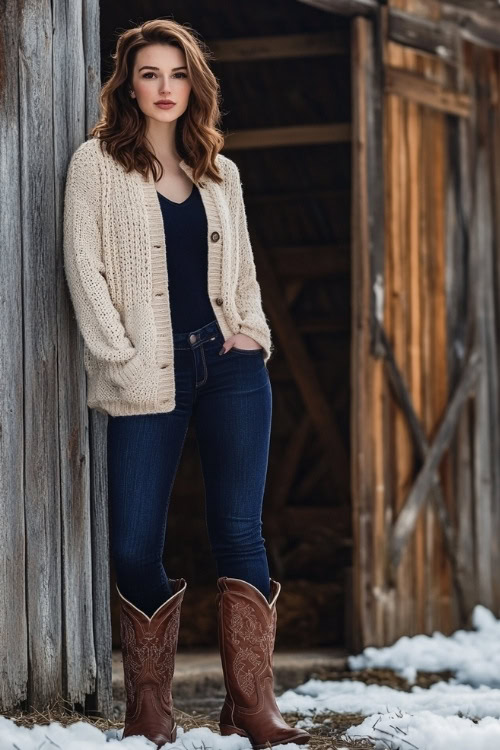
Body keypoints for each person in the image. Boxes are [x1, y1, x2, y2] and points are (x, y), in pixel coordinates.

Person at [63, 18, 310, 750]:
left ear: (194, 84)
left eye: (177, 74)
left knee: (239, 533)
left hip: (227, 366)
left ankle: (252, 709)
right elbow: (85, 269)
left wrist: (254, 335)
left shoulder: (218, 171)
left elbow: (243, 274)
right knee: (137, 542)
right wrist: (121, 353)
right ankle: (151, 708)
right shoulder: (97, 164)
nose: (164, 87)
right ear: (127, 84)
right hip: (144, 369)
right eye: (149, 73)